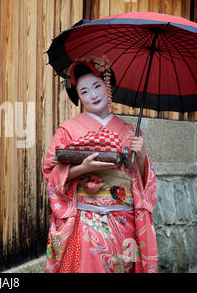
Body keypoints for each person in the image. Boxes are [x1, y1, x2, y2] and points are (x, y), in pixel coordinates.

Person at [43, 56, 157, 273]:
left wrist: (141, 155)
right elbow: (51, 173)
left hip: (125, 221)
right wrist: (83, 169)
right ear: (78, 97)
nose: (93, 95)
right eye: (84, 91)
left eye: (97, 86)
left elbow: (144, 181)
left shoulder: (130, 132)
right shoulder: (67, 130)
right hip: (87, 222)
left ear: (108, 86)